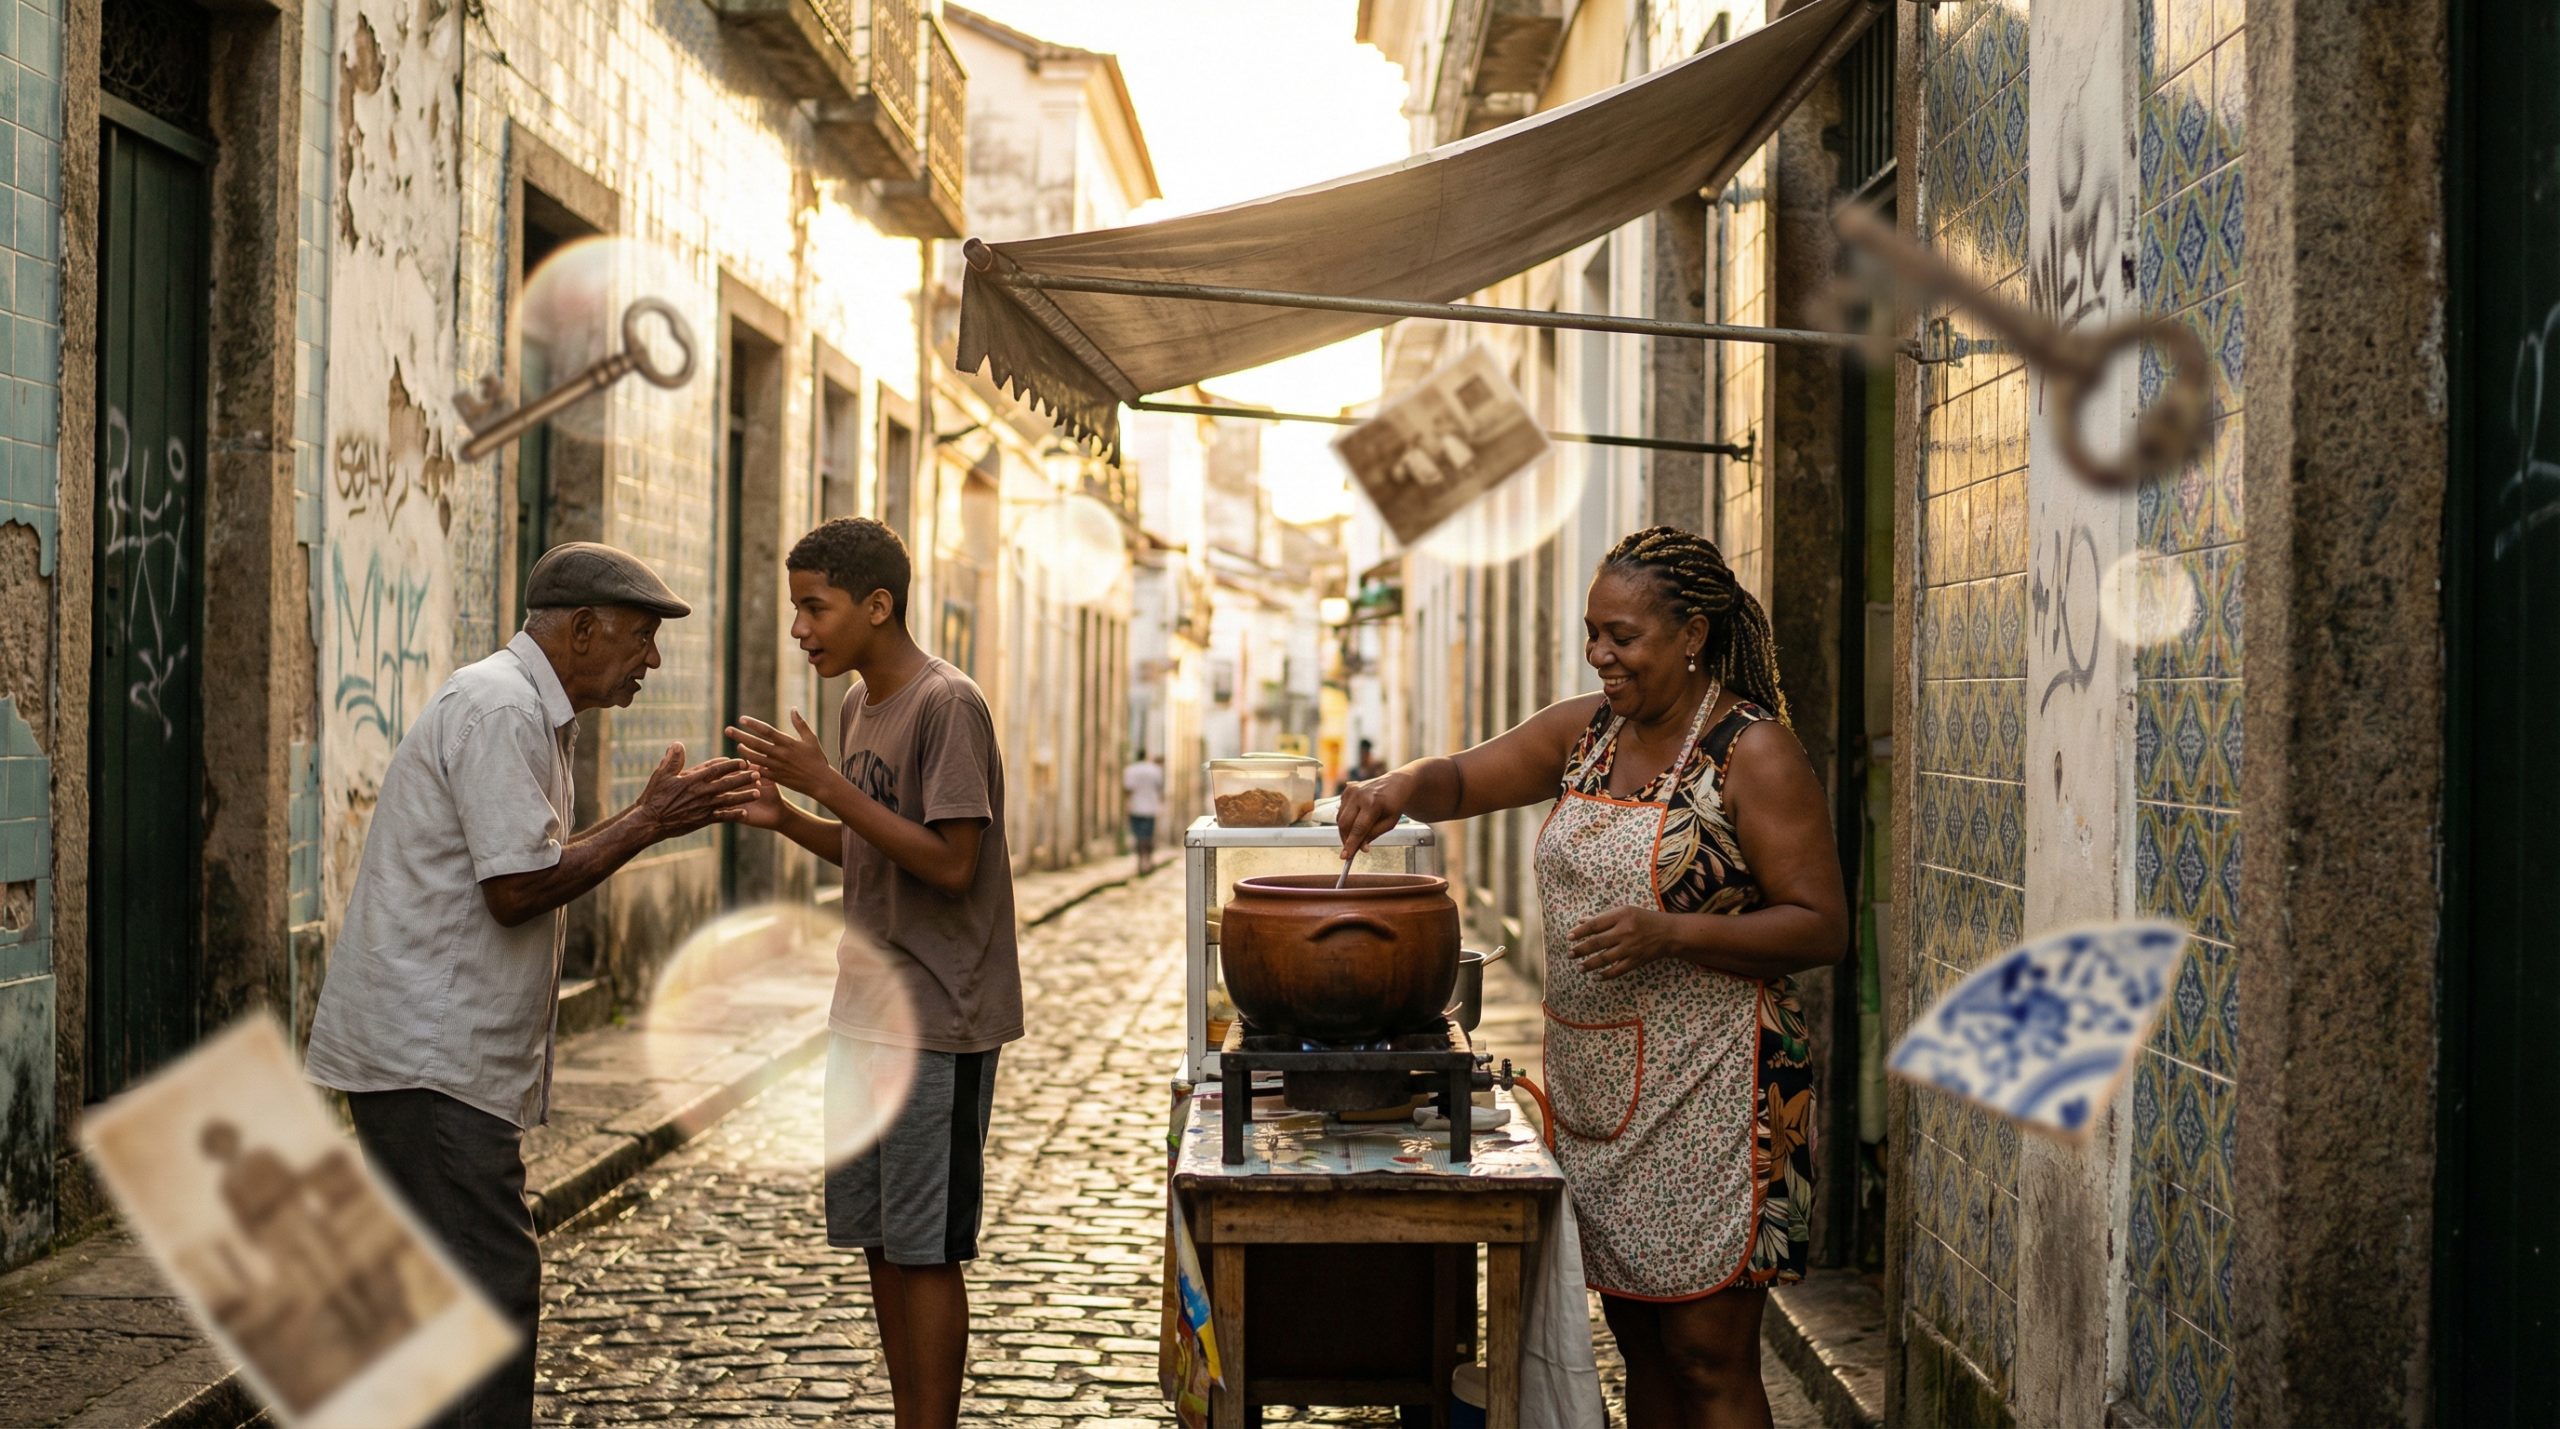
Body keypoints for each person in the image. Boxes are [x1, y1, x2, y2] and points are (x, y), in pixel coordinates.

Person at [1337, 526, 1847, 1429]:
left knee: (1707, 1352)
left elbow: (1821, 924)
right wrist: (1395, 785)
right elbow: (1459, 780)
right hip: (1600, 1091)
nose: (1601, 655)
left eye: (1623, 636)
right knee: (1639, 1336)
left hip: (1722, 1092)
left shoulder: (1749, 751)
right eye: (1592, 632)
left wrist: (1672, 932)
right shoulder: (1588, 734)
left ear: (1692, 635)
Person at [306, 542, 756, 1428]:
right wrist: (645, 822)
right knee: (488, 1287)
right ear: (581, 629)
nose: (653, 660)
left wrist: (639, 821)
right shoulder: (503, 708)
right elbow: (515, 888)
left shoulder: (532, 711)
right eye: (640, 636)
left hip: (431, 1056)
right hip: (429, 1061)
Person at [724, 517, 1020, 1429]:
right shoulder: (857, 707)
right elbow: (872, 844)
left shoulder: (946, 703)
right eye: (796, 609)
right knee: (882, 1241)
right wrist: (791, 820)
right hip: (863, 1013)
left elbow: (949, 862)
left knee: (927, 1246)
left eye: (816, 607)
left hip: (938, 1015)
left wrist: (825, 785)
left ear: (877, 605)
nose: (801, 628)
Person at [1123, 749, 1166, 875]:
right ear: (1146, 756)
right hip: (1150, 808)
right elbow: (1159, 789)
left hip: (1135, 807)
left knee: (1138, 836)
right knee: (1148, 836)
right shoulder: (1155, 770)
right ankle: (1148, 861)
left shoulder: (1130, 770)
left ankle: (1140, 861)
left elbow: (1127, 789)